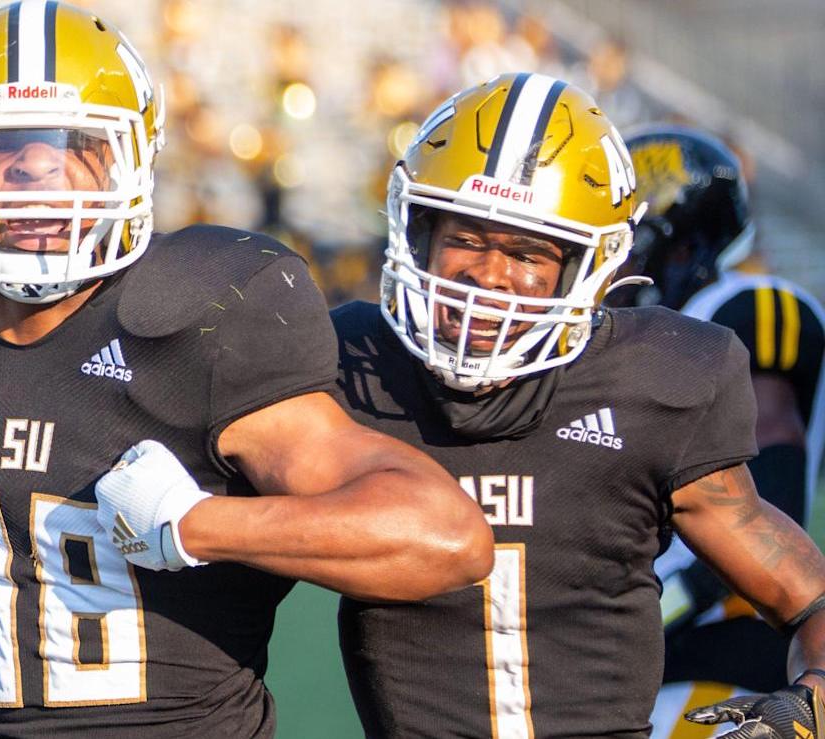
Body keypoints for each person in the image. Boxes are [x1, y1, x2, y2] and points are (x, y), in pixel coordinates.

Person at [0, 3, 492, 737]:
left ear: (131, 161)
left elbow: (445, 539)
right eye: (1, 146)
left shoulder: (203, 315)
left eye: (73, 144)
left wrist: (201, 525)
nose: (37, 170)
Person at [330, 72, 825, 738]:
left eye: (528, 250)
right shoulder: (352, 363)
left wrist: (810, 702)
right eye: (466, 237)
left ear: (593, 265)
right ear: (416, 230)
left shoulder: (656, 376)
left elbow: (809, 592)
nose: (488, 275)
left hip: (694, 672)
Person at [610, 125, 825, 735]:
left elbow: (772, 487)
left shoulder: (748, 305)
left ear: (679, 244)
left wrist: (662, 607)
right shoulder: (634, 339)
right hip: (652, 652)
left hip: (727, 639)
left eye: (628, 244)